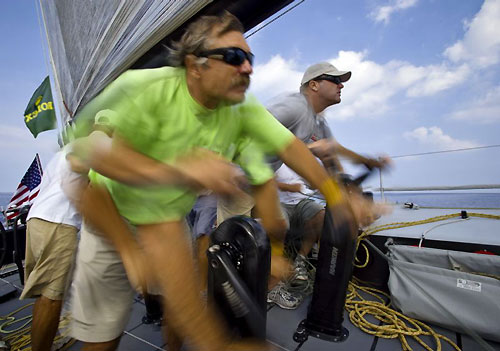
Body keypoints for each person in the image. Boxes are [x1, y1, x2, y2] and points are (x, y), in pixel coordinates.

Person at [69, 12, 356, 351]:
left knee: (181, 307)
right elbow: (83, 154)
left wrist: (337, 199)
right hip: (109, 216)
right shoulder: (143, 87)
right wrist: (177, 171)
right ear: (195, 64)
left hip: (166, 220)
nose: (247, 68)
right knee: (104, 335)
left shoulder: (239, 110)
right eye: (234, 57)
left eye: (249, 59)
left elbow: (290, 148)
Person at [20, 111, 114, 351]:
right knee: (52, 298)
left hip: (38, 220)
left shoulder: (70, 147)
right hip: (59, 224)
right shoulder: (98, 142)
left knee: (46, 295)